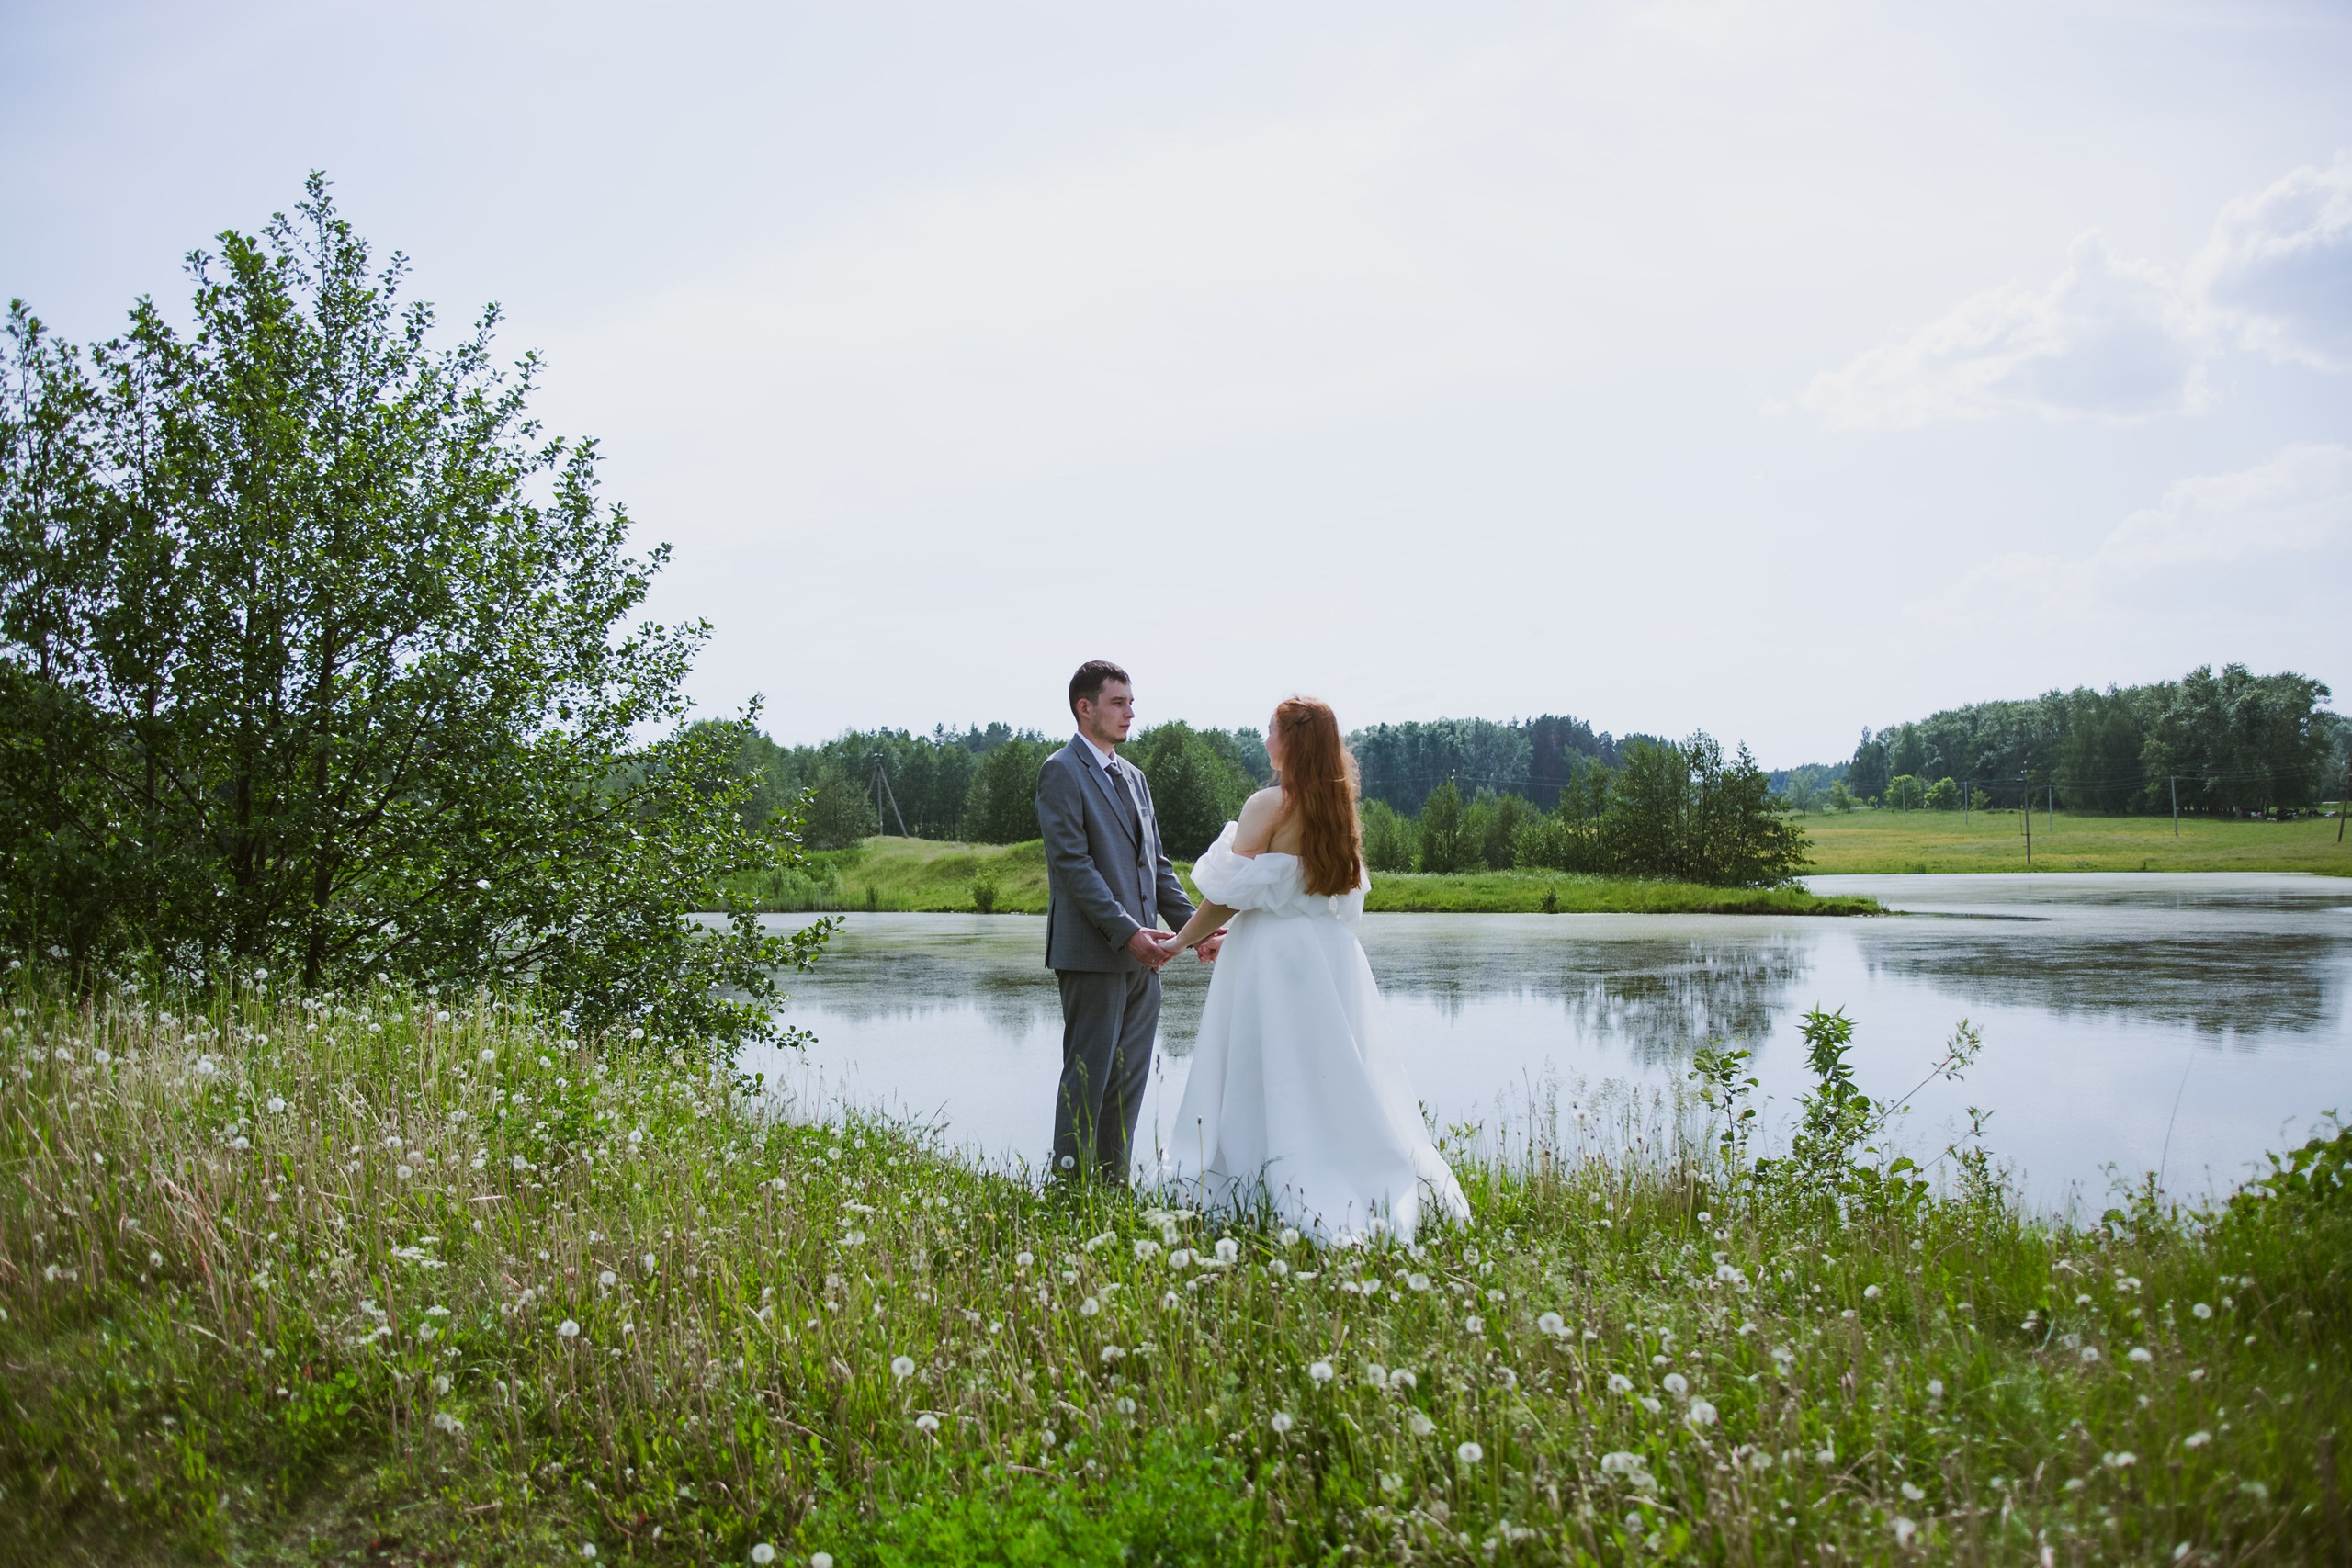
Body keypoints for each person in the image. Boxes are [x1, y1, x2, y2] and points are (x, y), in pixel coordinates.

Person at [1158, 695, 1469, 1242]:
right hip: (1329, 954)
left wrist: (1182, 940)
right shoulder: (1338, 810)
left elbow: (1229, 896)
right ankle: (1344, 1168)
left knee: (1265, 1062)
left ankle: (1258, 1179)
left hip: (1273, 956)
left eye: (1270, 731)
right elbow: (1326, 894)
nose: (1265, 741)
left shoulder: (1268, 805)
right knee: (1332, 1067)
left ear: (1290, 741)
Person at [1035, 660, 1222, 1184]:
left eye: (1131, 702)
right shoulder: (1061, 771)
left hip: (1147, 958)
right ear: (1085, 708)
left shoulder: (1135, 777)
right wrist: (1128, 933)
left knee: (1128, 1083)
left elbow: (1156, 867)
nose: (1130, 713)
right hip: (1094, 955)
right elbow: (1073, 867)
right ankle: (1069, 1192)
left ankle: (1113, 1190)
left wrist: (1196, 931)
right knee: (1087, 1081)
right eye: (1118, 703)